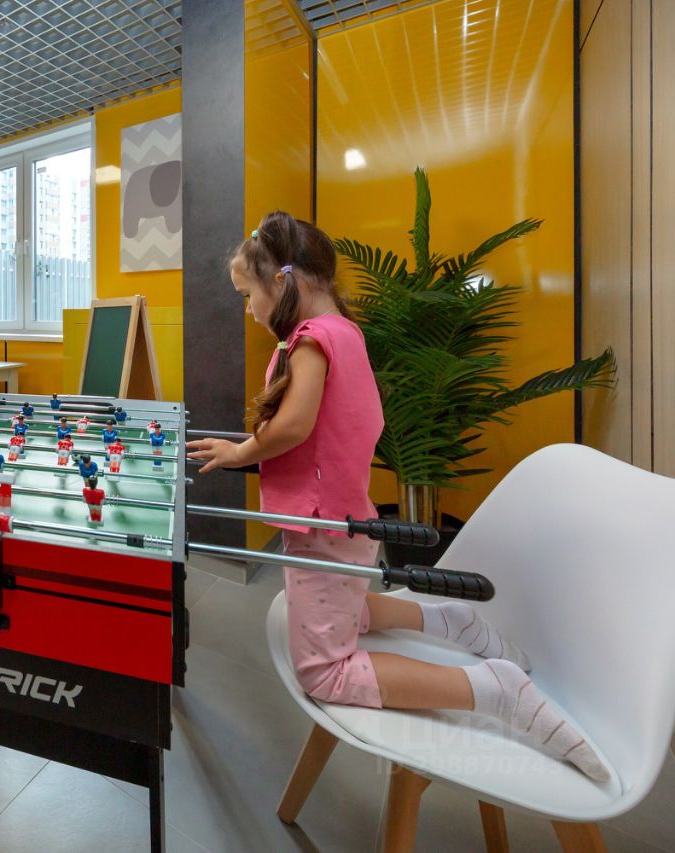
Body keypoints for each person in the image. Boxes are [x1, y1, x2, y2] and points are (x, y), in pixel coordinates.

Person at [186, 211, 608, 781]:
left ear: (283, 281)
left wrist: (242, 453)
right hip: (345, 517)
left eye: (246, 295)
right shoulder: (344, 332)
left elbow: (296, 426)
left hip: (324, 525)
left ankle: (492, 690)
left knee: (323, 672)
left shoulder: (310, 342)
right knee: (345, 607)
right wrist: (247, 447)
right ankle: (451, 622)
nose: (248, 309)